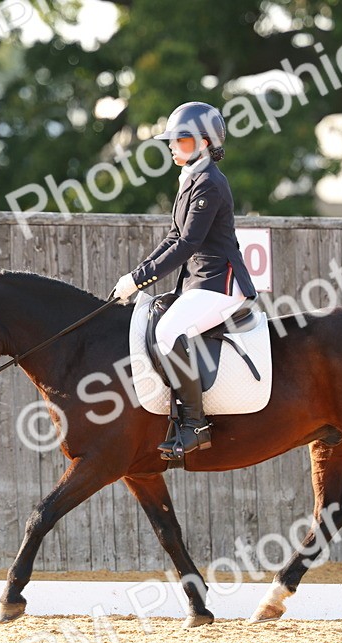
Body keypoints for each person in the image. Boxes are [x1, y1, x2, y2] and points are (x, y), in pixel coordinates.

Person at [112, 101, 257, 460]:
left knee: (168, 333)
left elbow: (188, 243)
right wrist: (136, 277)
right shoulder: (192, 178)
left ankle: (196, 426)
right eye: (172, 140)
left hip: (220, 283)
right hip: (199, 281)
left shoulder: (209, 182)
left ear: (204, 142)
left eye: (181, 140)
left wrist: (139, 279)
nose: (172, 146)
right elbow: (173, 237)